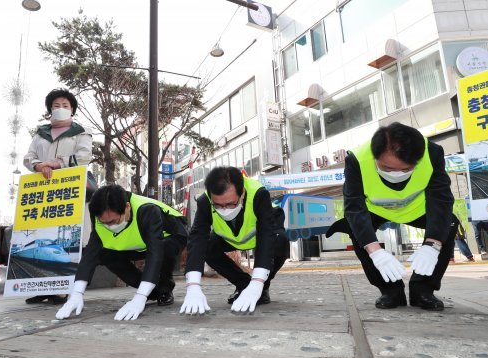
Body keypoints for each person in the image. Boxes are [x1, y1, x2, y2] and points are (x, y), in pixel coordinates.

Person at [326, 122, 456, 311]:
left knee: (448, 224)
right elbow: (354, 206)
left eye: (405, 169)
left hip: (416, 208)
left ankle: (423, 289)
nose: (396, 174)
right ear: (375, 156)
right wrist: (376, 252)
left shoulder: (433, 153)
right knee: (356, 229)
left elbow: (441, 199)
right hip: (376, 209)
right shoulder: (357, 159)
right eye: (387, 168)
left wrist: (432, 245)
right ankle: (390, 290)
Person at [55, 184, 188, 320]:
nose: (109, 226)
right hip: (135, 243)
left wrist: (139, 298)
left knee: (165, 249)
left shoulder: (147, 210)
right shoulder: (97, 213)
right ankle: (152, 292)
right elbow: (91, 253)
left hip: (168, 237)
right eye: (104, 223)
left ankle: (164, 290)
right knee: (103, 253)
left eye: (113, 221)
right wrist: (76, 293)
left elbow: (155, 254)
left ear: (127, 207)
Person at [180, 166, 289, 314]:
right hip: (228, 238)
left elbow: (266, 236)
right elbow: (197, 238)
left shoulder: (258, 194)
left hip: (261, 235)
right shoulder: (205, 201)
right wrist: (193, 286)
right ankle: (244, 284)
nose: (224, 209)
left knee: (280, 241)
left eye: (230, 204)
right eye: (217, 205)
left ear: (242, 193)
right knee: (207, 247)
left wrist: (257, 283)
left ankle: (262, 288)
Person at [22, 88, 93, 304]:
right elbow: (28, 157)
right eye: (56, 105)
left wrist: (57, 163)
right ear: (49, 110)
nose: (60, 109)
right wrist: (38, 165)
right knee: (43, 237)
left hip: (70, 192)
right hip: (45, 195)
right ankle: (42, 287)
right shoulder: (40, 133)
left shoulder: (81, 131)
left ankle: (64, 289)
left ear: (72, 110)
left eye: (65, 105)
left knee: (68, 239)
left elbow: (84, 156)